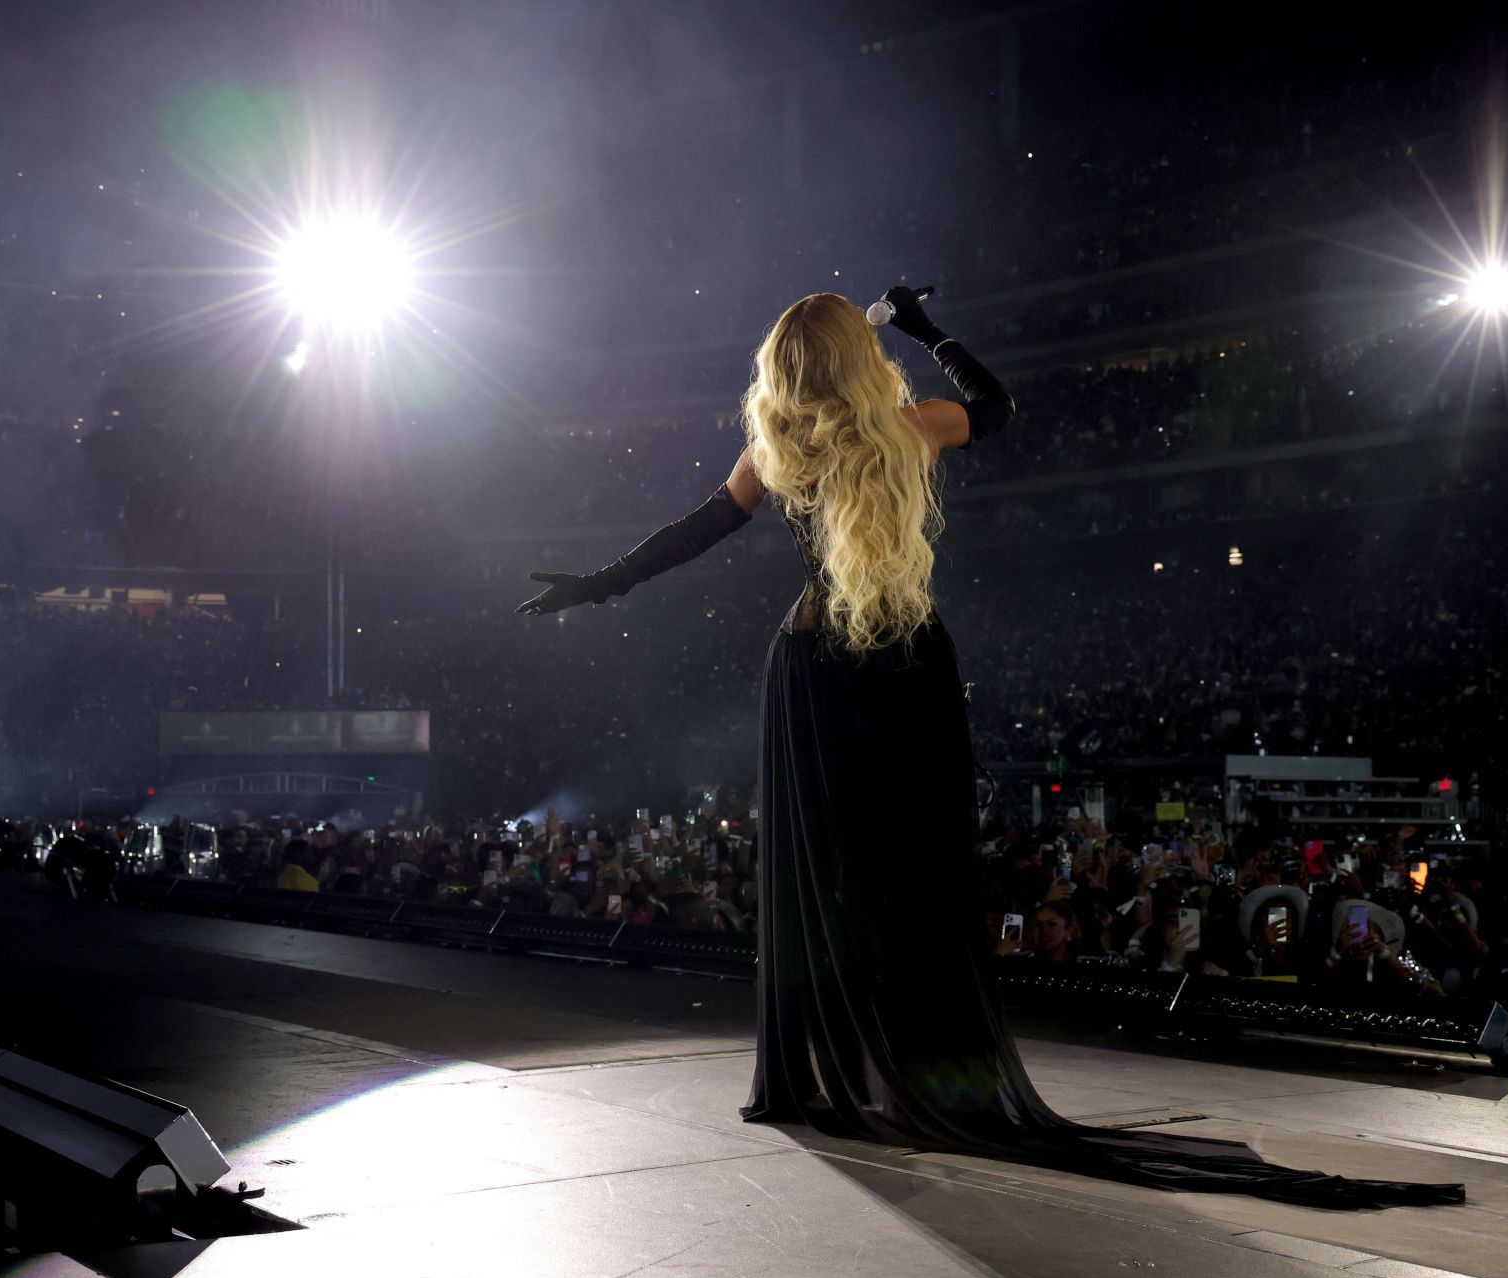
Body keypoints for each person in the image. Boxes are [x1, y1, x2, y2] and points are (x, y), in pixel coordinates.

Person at [516, 287, 1460, 1208]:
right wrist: (931, 329)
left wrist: (599, 584)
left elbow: (694, 533)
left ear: (783, 370)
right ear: (858, 355)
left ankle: (826, 1072)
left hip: (810, 667)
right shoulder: (913, 427)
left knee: (828, 875)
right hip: (899, 658)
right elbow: (998, 408)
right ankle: (926, 1063)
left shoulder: (775, 454)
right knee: (911, 868)